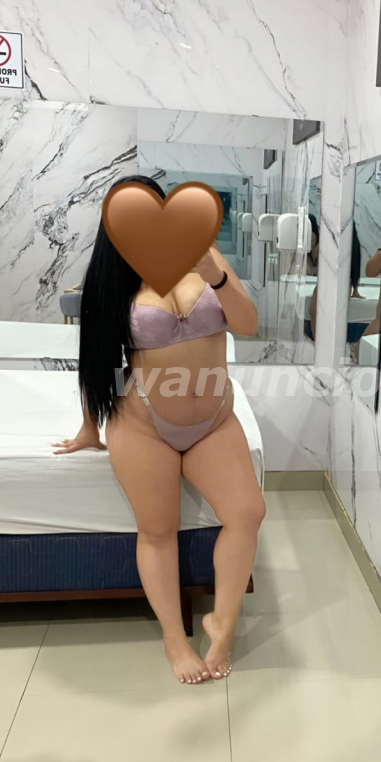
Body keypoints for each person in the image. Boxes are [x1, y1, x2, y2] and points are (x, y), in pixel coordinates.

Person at [53, 176, 264, 685]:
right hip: (144, 423)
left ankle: (222, 621)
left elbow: (248, 324)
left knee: (247, 512)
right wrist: (89, 427)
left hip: (214, 420)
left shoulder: (207, 258)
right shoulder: (114, 280)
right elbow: (98, 363)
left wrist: (216, 276)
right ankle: (174, 638)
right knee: (157, 529)